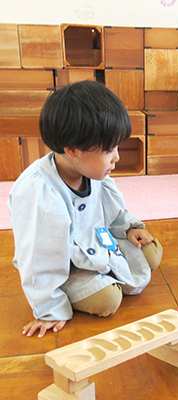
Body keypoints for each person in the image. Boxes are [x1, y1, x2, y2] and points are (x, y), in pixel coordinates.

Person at [8, 80, 163, 338]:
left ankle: (107, 272)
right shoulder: (39, 193)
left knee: (151, 253)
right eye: (109, 149)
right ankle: (72, 289)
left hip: (94, 242)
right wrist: (49, 308)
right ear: (73, 150)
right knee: (108, 301)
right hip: (64, 263)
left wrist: (129, 228)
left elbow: (113, 210)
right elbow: (37, 259)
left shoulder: (90, 169)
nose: (117, 157)